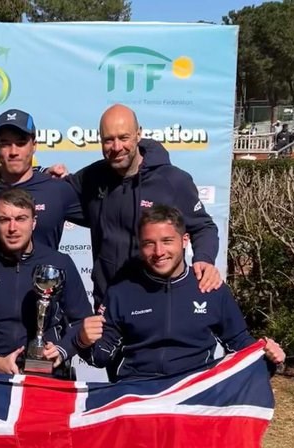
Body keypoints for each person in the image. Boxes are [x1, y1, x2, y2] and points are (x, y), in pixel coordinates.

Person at [80, 204, 285, 380]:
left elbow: (240, 345)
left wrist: (269, 357)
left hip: (192, 396)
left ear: (185, 240)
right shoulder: (121, 291)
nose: (159, 252)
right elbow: (100, 357)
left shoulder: (210, 287)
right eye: (149, 244)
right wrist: (82, 340)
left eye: (167, 241)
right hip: (136, 397)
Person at [64, 104, 221, 308]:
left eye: (123, 137)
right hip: (108, 306)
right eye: (109, 140)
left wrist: (205, 259)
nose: (117, 147)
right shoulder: (92, 177)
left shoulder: (172, 180)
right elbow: (54, 196)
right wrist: (46, 172)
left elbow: (203, 227)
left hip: (160, 304)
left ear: (139, 134)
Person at [0, 189, 94, 376]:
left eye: (21, 219)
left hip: (46, 371)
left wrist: (62, 350)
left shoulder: (60, 262)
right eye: (4, 220)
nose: (13, 228)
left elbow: (81, 321)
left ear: (33, 222)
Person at [0, 108, 85, 249]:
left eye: (21, 143)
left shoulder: (58, 189)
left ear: (34, 146)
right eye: (5, 144)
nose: (13, 152)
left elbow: (106, 217)